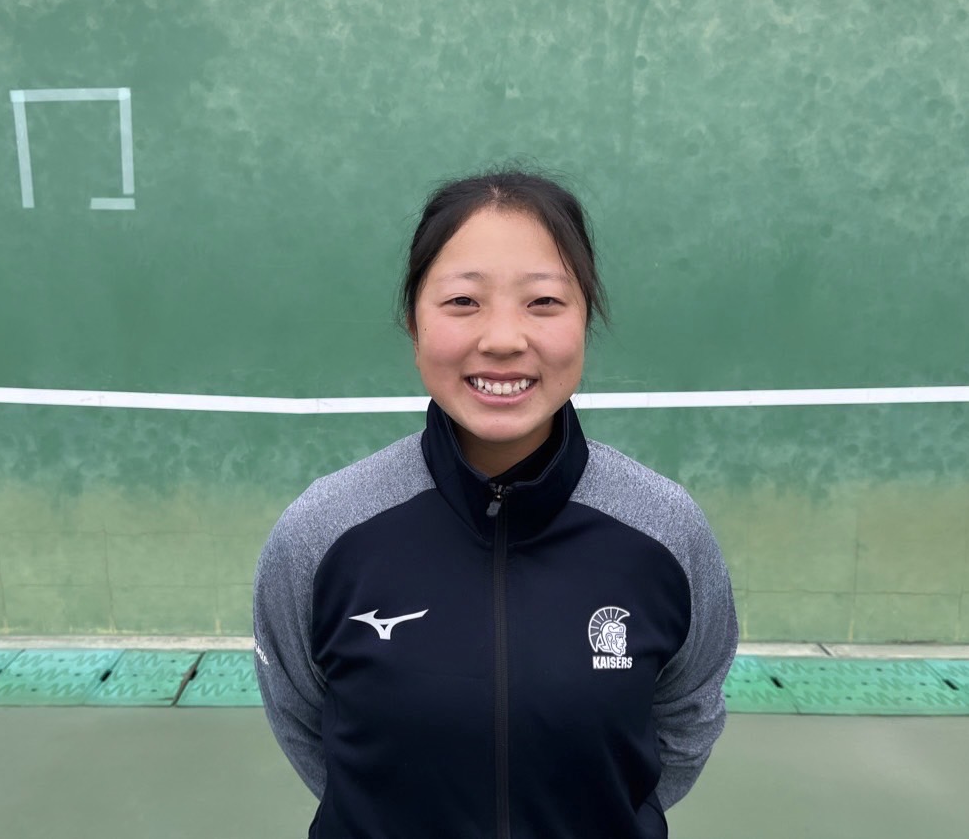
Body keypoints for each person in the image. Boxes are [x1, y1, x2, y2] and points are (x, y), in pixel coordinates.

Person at [253, 168, 738, 839]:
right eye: (462, 301)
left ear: (586, 319)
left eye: (544, 302)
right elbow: (307, 727)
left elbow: (684, 723)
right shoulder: (322, 531)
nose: (504, 339)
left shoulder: (665, 528)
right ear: (413, 321)